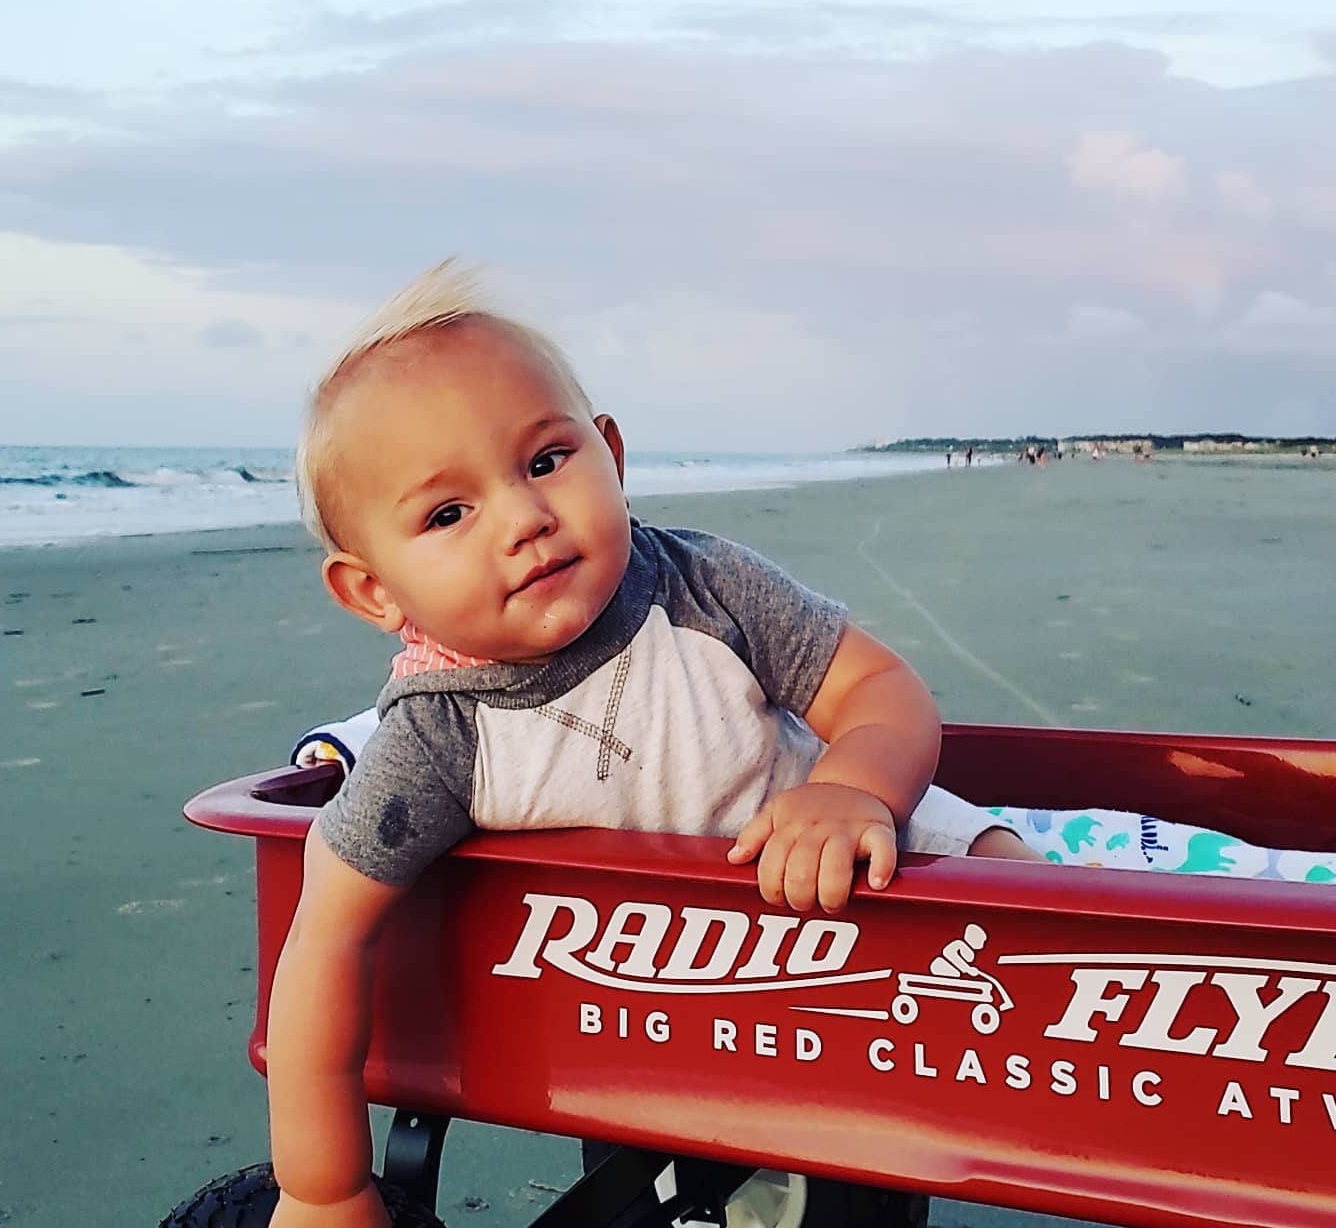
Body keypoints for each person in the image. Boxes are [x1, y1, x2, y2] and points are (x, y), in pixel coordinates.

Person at [266, 262, 1334, 1228]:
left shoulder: (702, 586)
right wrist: (324, 1185)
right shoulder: (436, 741)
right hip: (660, 997)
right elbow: (326, 937)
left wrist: (854, 788)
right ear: (373, 591)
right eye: (448, 513)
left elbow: (881, 687)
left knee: (1042, 940)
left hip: (874, 875)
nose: (523, 516)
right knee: (656, 1133)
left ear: (614, 453)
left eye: (547, 458)